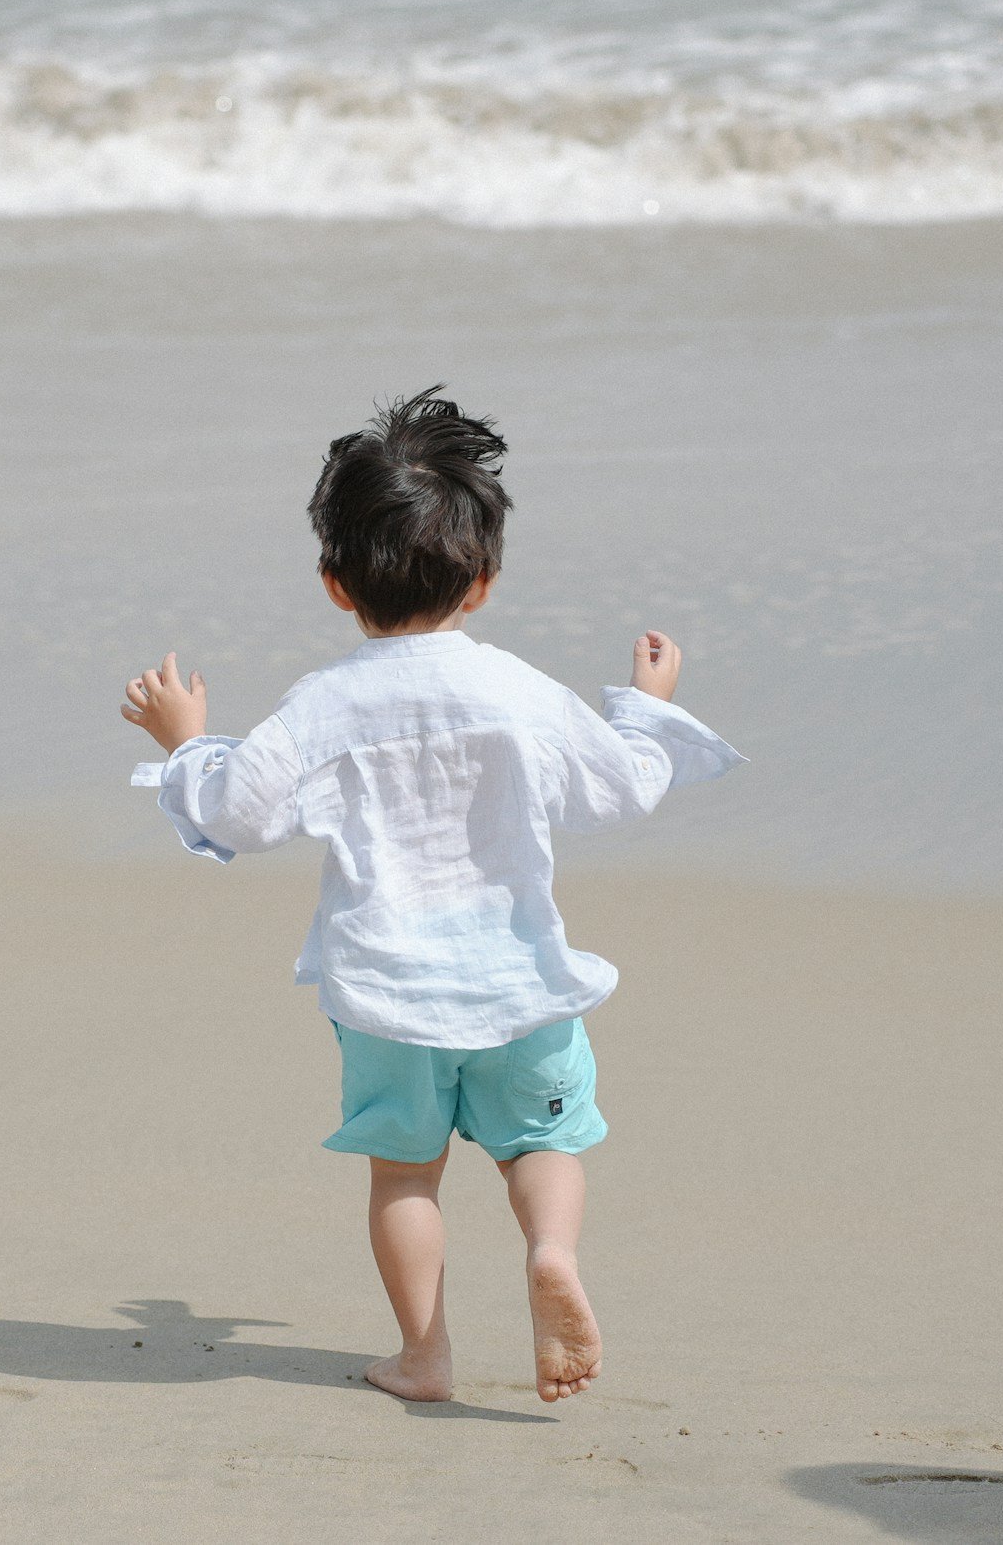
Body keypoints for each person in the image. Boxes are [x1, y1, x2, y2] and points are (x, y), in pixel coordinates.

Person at [121, 387, 743, 1405]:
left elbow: (237, 812)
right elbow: (621, 785)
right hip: (521, 982)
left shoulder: (324, 703)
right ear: (483, 580)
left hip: (388, 996)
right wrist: (646, 707)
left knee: (403, 1176)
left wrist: (186, 736)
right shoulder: (514, 689)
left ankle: (425, 1353)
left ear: (334, 583)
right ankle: (549, 1250)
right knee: (542, 1142)